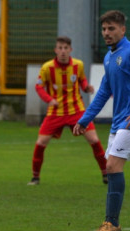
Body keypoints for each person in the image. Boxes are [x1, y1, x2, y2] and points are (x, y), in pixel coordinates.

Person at [73, 10, 130, 231]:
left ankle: (110, 223)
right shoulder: (109, 57)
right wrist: (85, 119)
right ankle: (113, 224)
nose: (106, 33)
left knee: (111, 166)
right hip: (119, 122)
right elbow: (103, 92)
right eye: (104, 29)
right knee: (112, 170)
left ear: (123, 29)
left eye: (111, 28)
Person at [28, 36, 108, 186]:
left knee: (94, 140)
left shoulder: (78, 65)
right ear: (55, 50)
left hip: (76, 111)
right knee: (41, 143)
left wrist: (86, 87)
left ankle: (106, 174)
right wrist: (49, 99)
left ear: (70, 50)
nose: (63, 51)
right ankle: (35, 177)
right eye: (60, 48)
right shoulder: (47, 67)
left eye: (66, 48)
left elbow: (81, 80)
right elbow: (39, 86)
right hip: (55, 112)